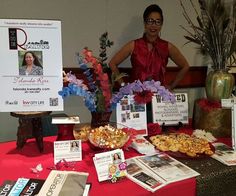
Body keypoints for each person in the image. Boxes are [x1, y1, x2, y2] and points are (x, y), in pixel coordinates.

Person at [109, 4, 189, 90]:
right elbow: (112, 63)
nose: (153, 25)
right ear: (145, 23)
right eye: (150, 21)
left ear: (161, 24)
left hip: (159, 97)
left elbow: (185, 66)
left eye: (157, 22)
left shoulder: (167, 47)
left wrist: (171, 86)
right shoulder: (133, 45)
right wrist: (123, 86)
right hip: (137, 97)